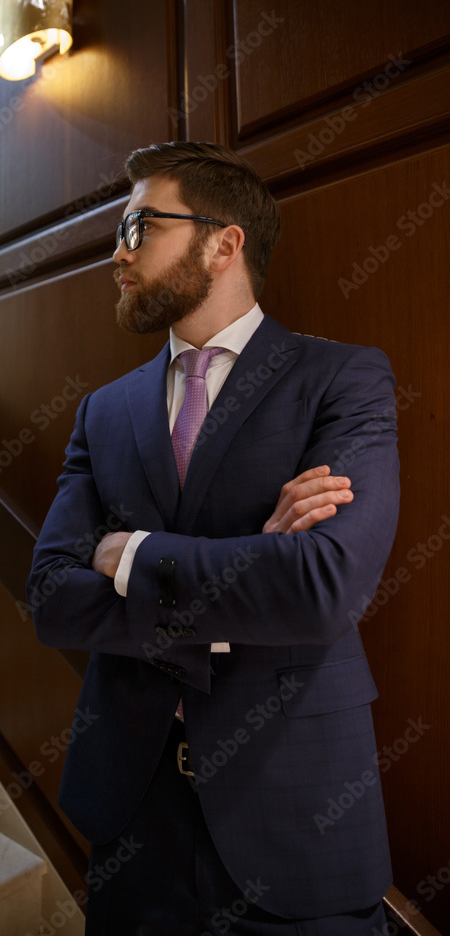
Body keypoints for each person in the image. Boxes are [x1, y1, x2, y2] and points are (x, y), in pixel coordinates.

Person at [26, 141, 399, 934]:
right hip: (131, 810)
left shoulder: (343, 378)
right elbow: (51, 597)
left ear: (223, 242)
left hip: (297, 808)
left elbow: (322, 586)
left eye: (138, 228)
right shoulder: (103, 410)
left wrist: (126, 554)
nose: (116, 253)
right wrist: (253, 571)